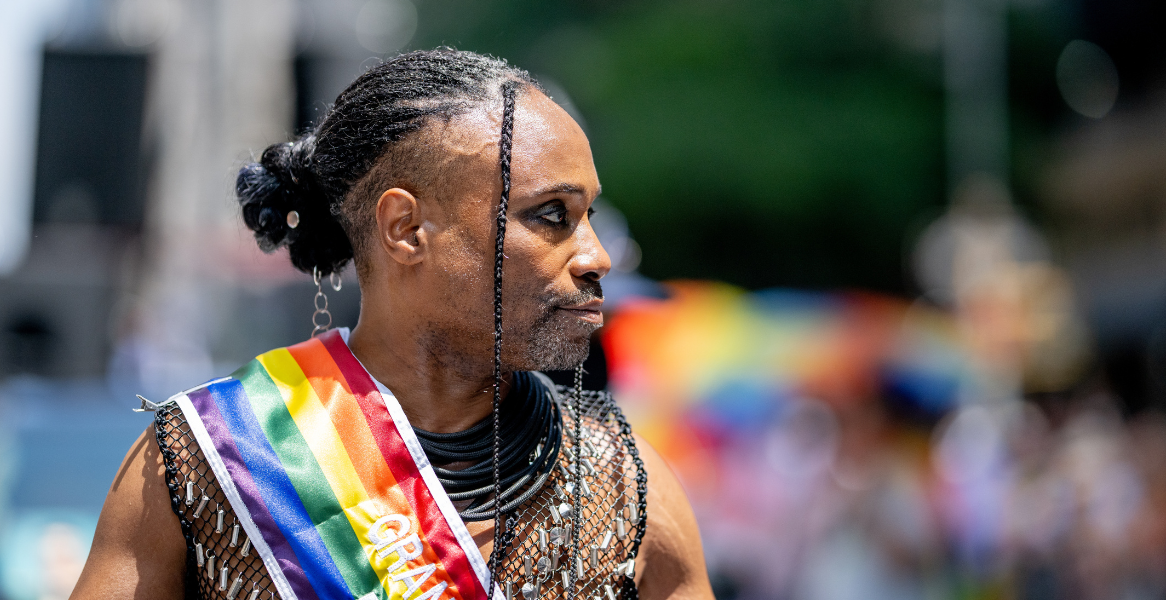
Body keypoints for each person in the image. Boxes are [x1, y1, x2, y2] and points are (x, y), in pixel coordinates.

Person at [70, 49, 712, 600]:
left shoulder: (625, 489)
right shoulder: (212, 460)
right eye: (551, 215)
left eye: (589, 214)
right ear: (406, 229)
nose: (596, 255)